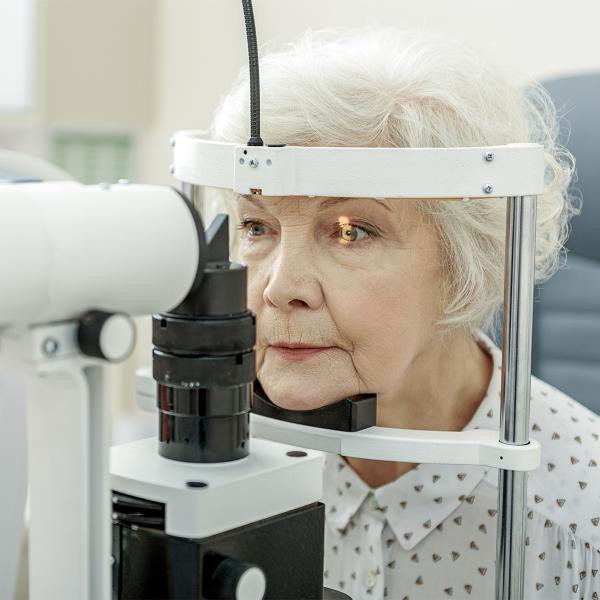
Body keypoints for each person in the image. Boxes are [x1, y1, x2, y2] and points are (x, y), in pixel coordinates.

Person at [208, 28, 599, 599]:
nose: (280, 288)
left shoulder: (580, 523)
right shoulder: (211, 468)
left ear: (469, 258)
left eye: (351, 231)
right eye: (257, 225)